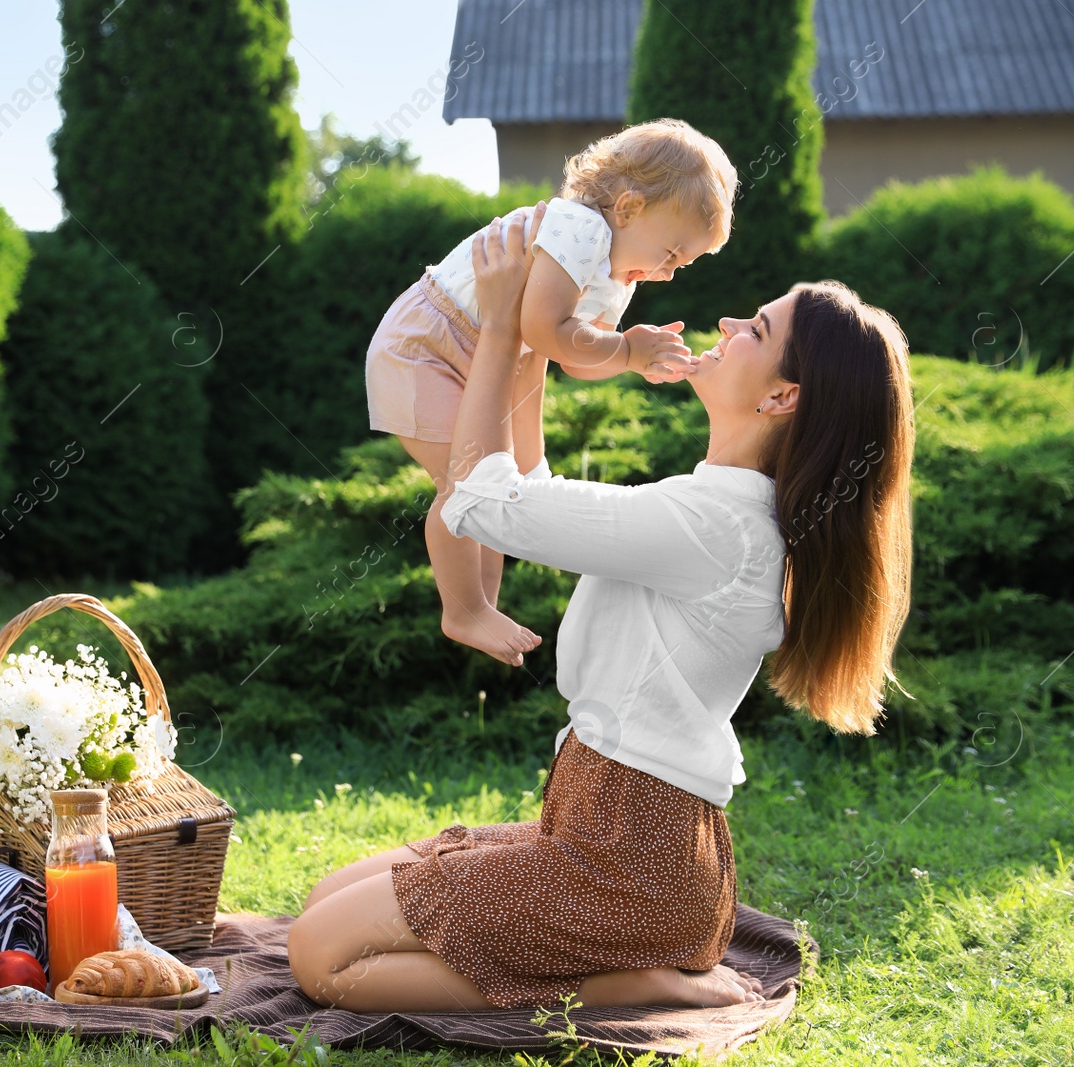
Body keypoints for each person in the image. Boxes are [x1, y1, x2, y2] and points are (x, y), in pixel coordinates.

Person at [289, 204, 916, 1013]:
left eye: (755, 328)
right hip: (601, 832)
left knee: (320, 957)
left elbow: (482, 504)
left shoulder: (719, 527)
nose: (727, 320)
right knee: (325, 897)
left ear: (782, 396)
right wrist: (537, 334)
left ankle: (619, 982)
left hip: (632, 862)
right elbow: (531, 491)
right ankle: (631, 957)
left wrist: (504, 332)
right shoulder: (709, 508)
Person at [363, 119, 737, 668]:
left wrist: (631, 360)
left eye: (682, 264)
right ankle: (462, 609)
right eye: (671, 252)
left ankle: (482, 604)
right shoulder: (579, 228)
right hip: (426, 348)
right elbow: (542, 330)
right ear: (629, 207)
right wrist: (627, 350)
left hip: (479, 356)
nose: (668, 273)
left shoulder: (618, 274)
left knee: (491, 493)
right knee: (464, 483)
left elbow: (574, 360)